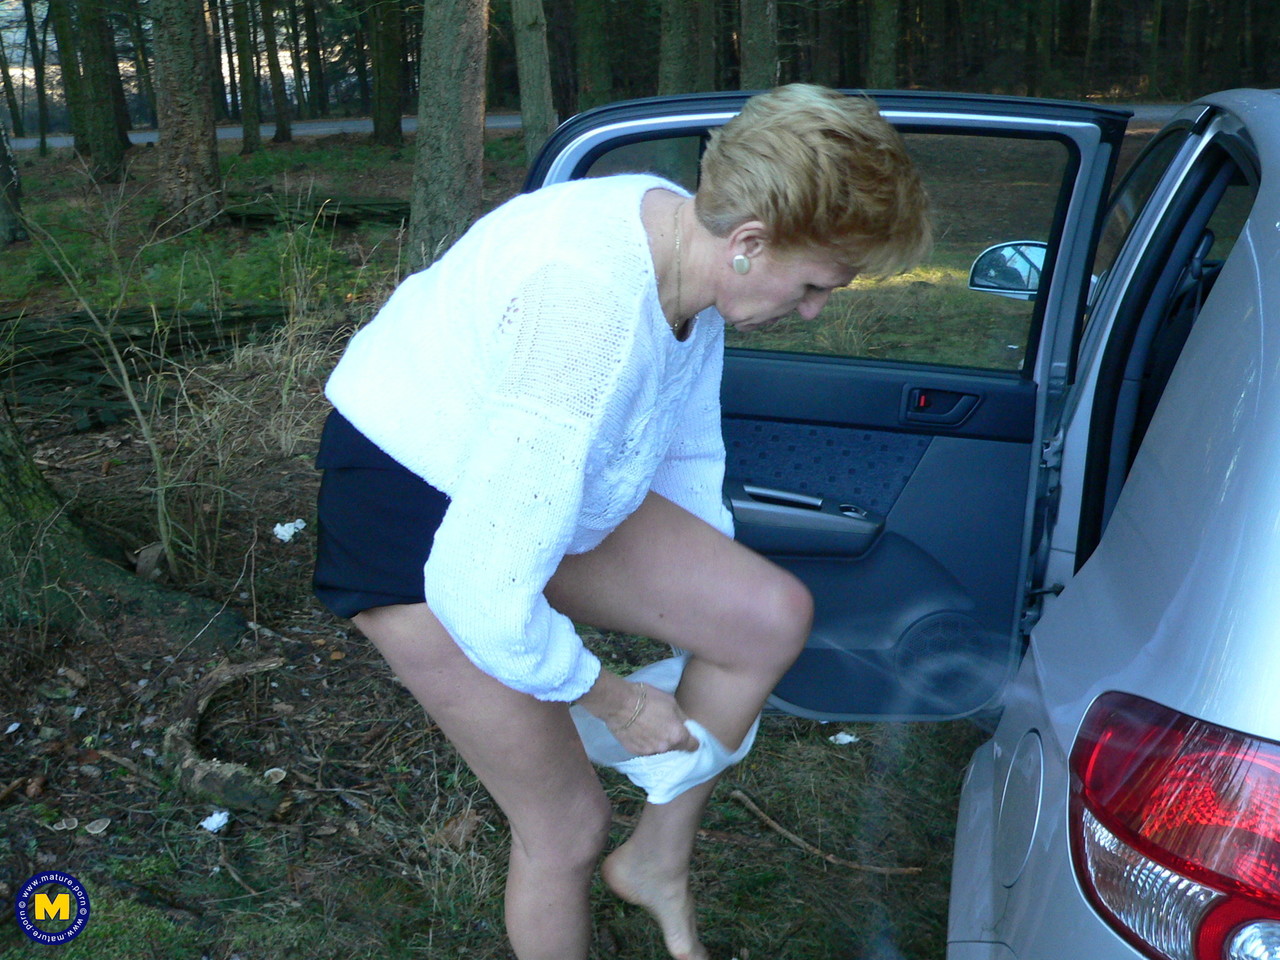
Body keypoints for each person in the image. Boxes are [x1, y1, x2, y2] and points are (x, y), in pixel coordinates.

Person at [313, 83, 930, 960]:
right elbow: (480, 589)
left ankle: (654, 863)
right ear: (750, 243)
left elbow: (683, 454)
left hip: (525, 477)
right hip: (413, 515)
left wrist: (700, 615)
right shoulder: (587, 311)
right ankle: (586, 824)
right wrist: (617, 699)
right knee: (565, 827)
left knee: (764, 616)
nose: (813, 310)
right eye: (814, 286)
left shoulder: (685, 245)